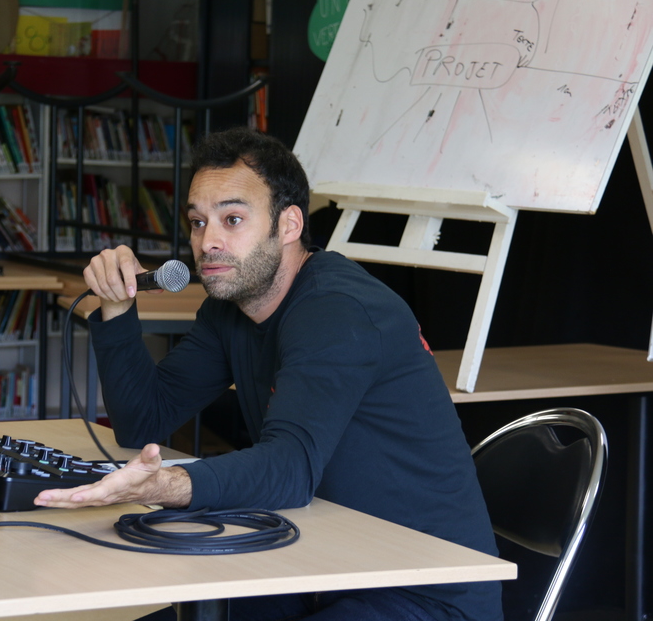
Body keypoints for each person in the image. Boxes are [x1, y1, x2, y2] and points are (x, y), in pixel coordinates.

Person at [34, 127, 502, 621]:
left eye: (232, 219)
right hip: (317, 566)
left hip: (421, 594)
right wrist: (117, 307)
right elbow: (143, 421)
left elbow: (291, 468)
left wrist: (163, 486)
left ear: (289, 224)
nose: (207, 242)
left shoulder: (339, 310)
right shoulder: (232, 308)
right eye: (197, 222)